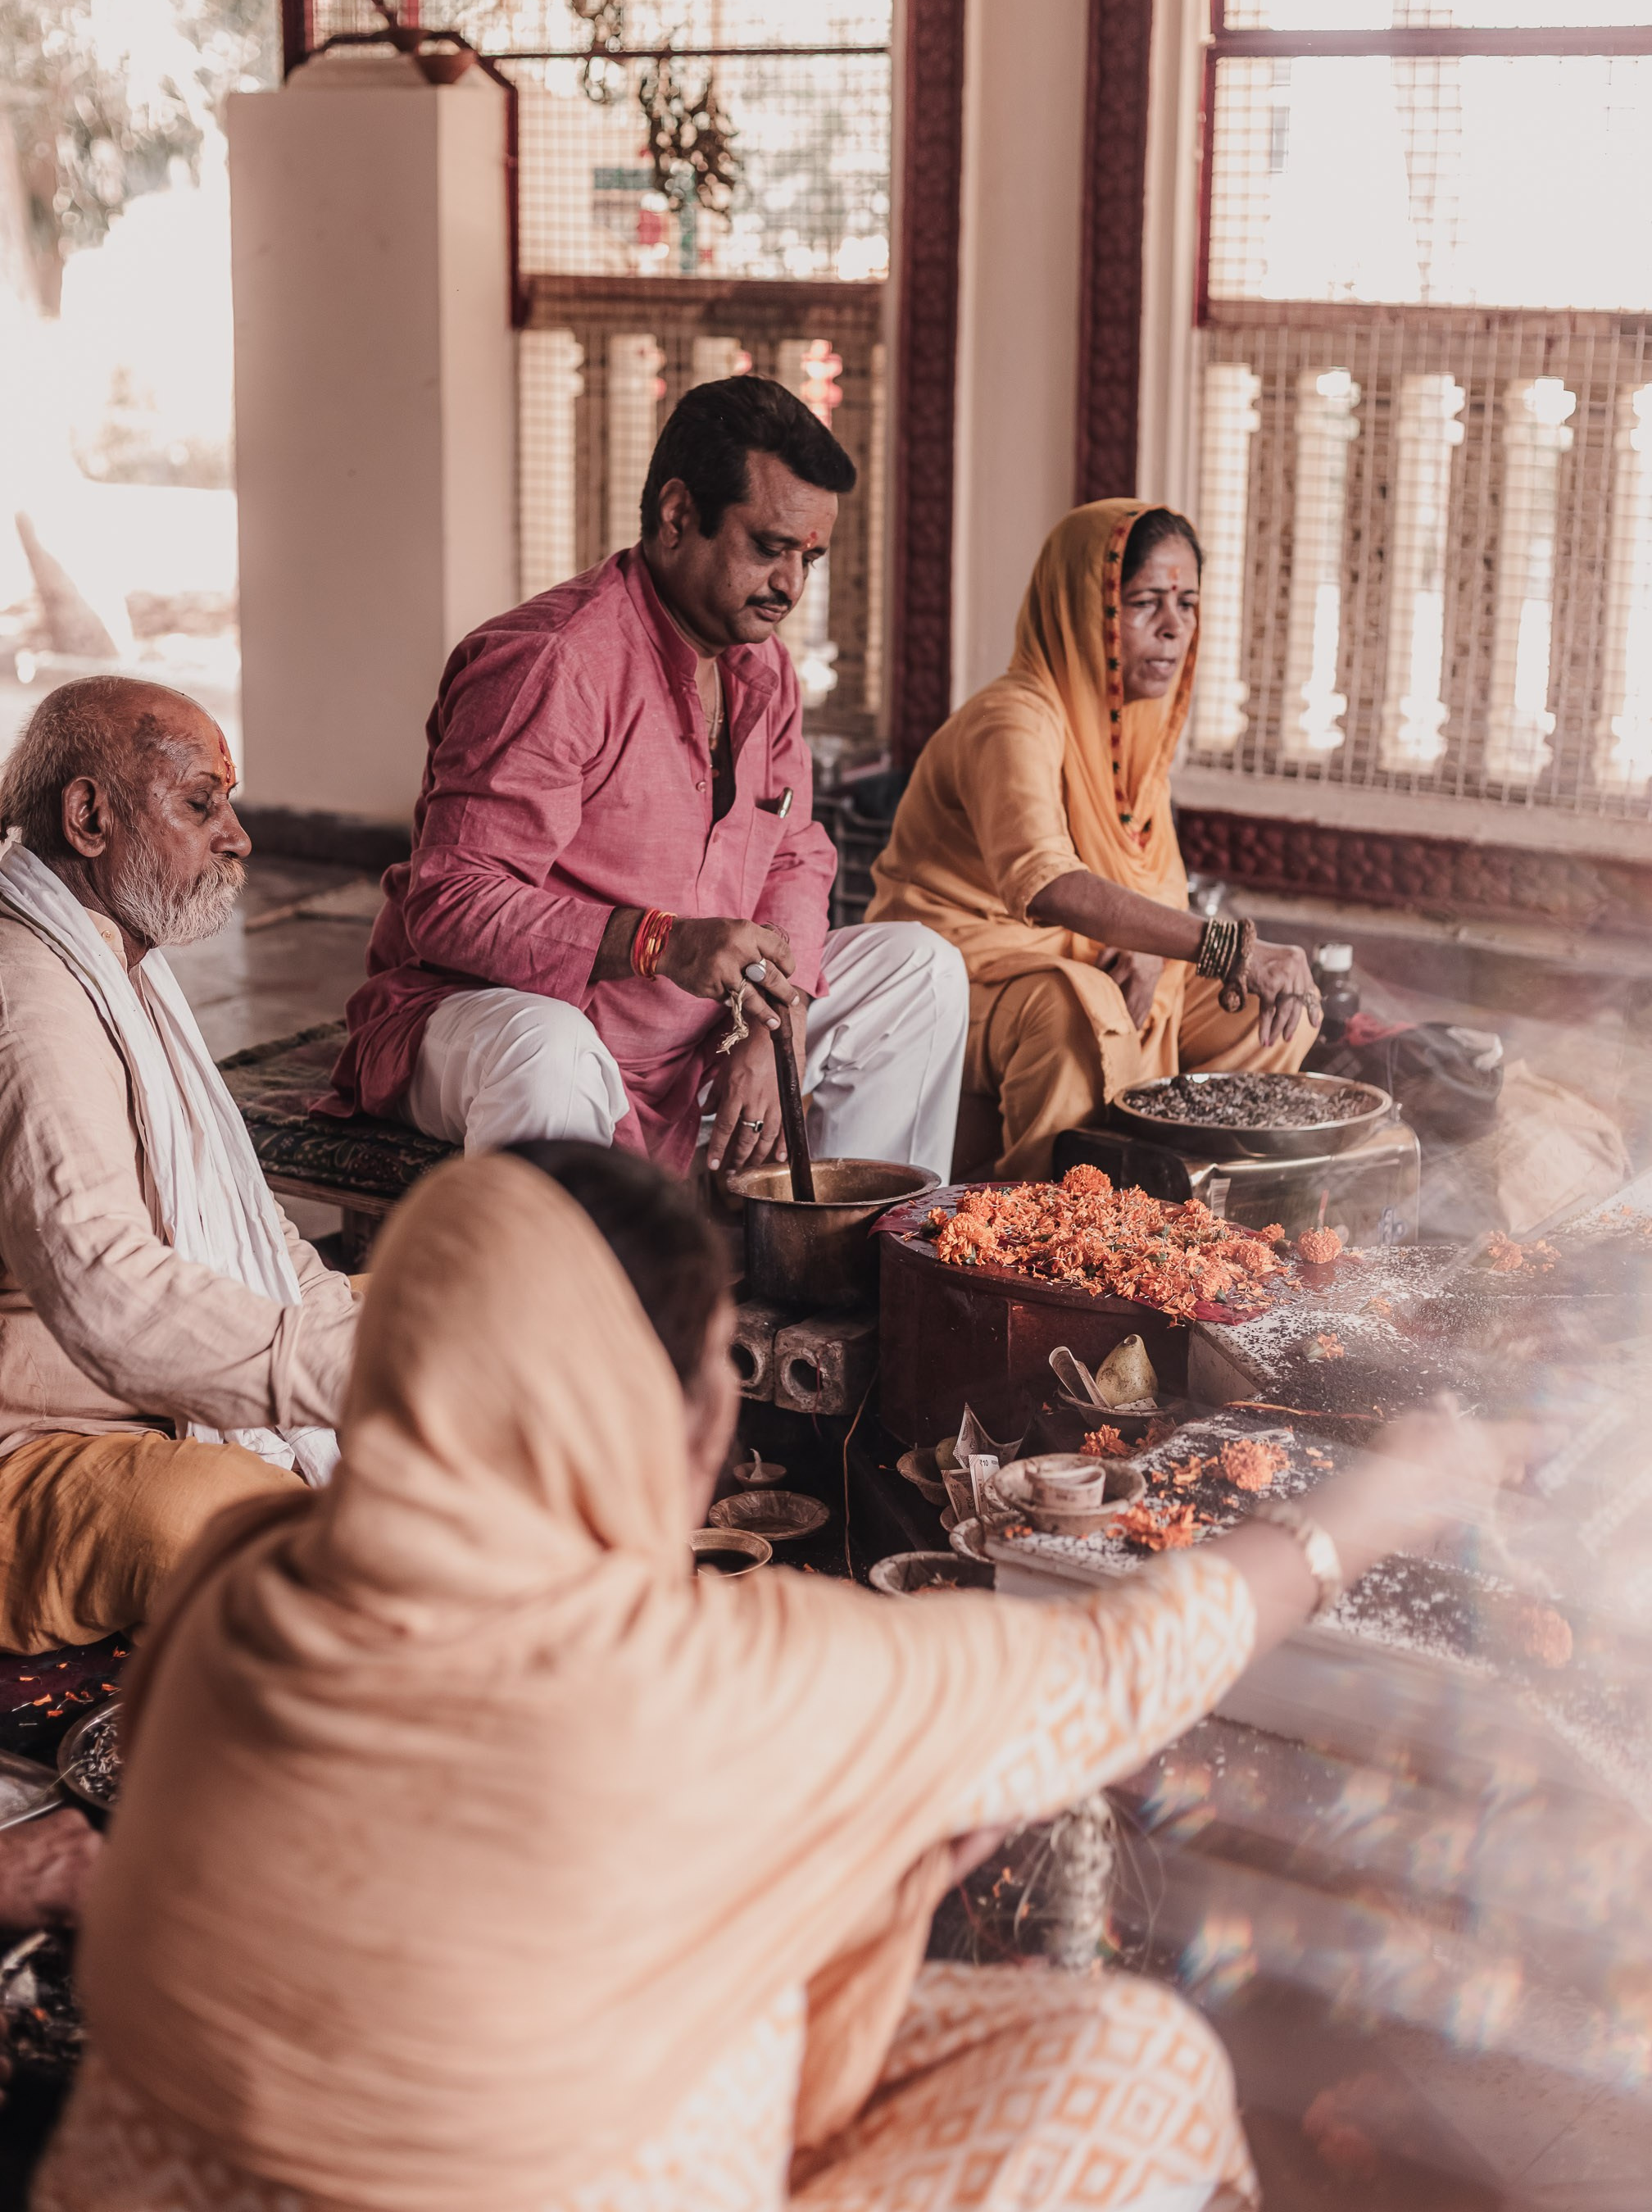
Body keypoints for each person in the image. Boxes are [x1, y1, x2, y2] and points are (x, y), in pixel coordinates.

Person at [37, 1149, 1531, 2212]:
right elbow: (1115, 1658)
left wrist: (840, 1872)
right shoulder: (709, 1673)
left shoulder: (243, 1577)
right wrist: (1374, 1506)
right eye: (712, 1373)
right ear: (648, 1409)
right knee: (1130, 2059)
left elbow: (479, 1908)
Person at [328, 374, 968, 1181]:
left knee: (920, 969)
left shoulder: (762, 670)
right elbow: (449, 904)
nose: (791, 587)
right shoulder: (555, 662)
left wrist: (778, 1021)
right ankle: (573, 1303)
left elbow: (795, 854)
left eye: (810, 558)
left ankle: (848, 1261)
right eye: (769, 548)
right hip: (508, 1024)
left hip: (690, 1031)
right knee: (549, 1054)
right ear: (676, 515)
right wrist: (656, 941)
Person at [0, 679, 357, 1653]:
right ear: (89, 817)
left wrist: (391, 1342)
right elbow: (104, 1286)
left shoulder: (122, 965)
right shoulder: (24, 993)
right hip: (39, 1446)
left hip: (152, 1398)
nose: (237, 836)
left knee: (456, 1326)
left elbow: (257, 1238)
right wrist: (359, 1375)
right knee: (266, 1535)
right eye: (202, 804)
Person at [868, 500, 1323, 1179]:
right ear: (1085, 608)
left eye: (1188, 604)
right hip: (959, 977)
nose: (1174, 630)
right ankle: (1040, 1242)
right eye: (1145, 603)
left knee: (1281, 1006)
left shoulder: (1133, 734)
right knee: (1077, 1008)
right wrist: (1225, 946)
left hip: (1084, 963)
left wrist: (1151, 949)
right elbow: (1047, 884)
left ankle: (1179, 1201)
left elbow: (1147, 885)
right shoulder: (1012, 719)